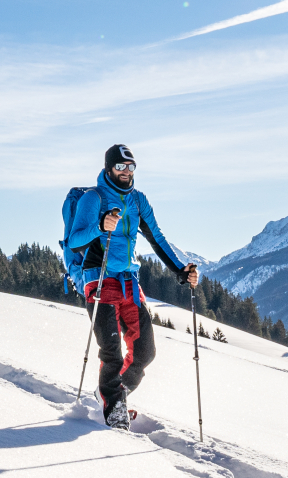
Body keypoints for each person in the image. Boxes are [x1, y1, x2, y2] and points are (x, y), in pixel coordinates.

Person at [65, 144, 199, 429]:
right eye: (120, 167)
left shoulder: (138, 200)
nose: (126, 172)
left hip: (129, 282)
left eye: (131, 167)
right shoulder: (93, 198)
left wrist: (180, 270)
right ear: (108, 168)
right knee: (111, 351)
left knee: (144, 352)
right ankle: (114, 413)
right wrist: (100, 225)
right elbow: (75, 241)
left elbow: (157, 238)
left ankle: (113, 394)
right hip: (98, 279)